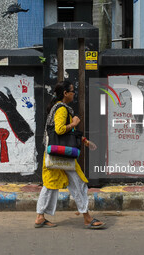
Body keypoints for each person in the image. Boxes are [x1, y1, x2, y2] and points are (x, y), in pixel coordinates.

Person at [35, 81, 105, 229]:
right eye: (72, 91)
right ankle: (87, 217)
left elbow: (67, 135)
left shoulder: (57, 108)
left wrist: (84, 141)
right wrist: (74, 123)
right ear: (65, 93)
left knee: (50, 184)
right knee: (78, 183)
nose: (74, 93)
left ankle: (40, 217)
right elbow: (60, 130)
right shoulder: (61, 109)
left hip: (54, 152)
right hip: (62, 154)